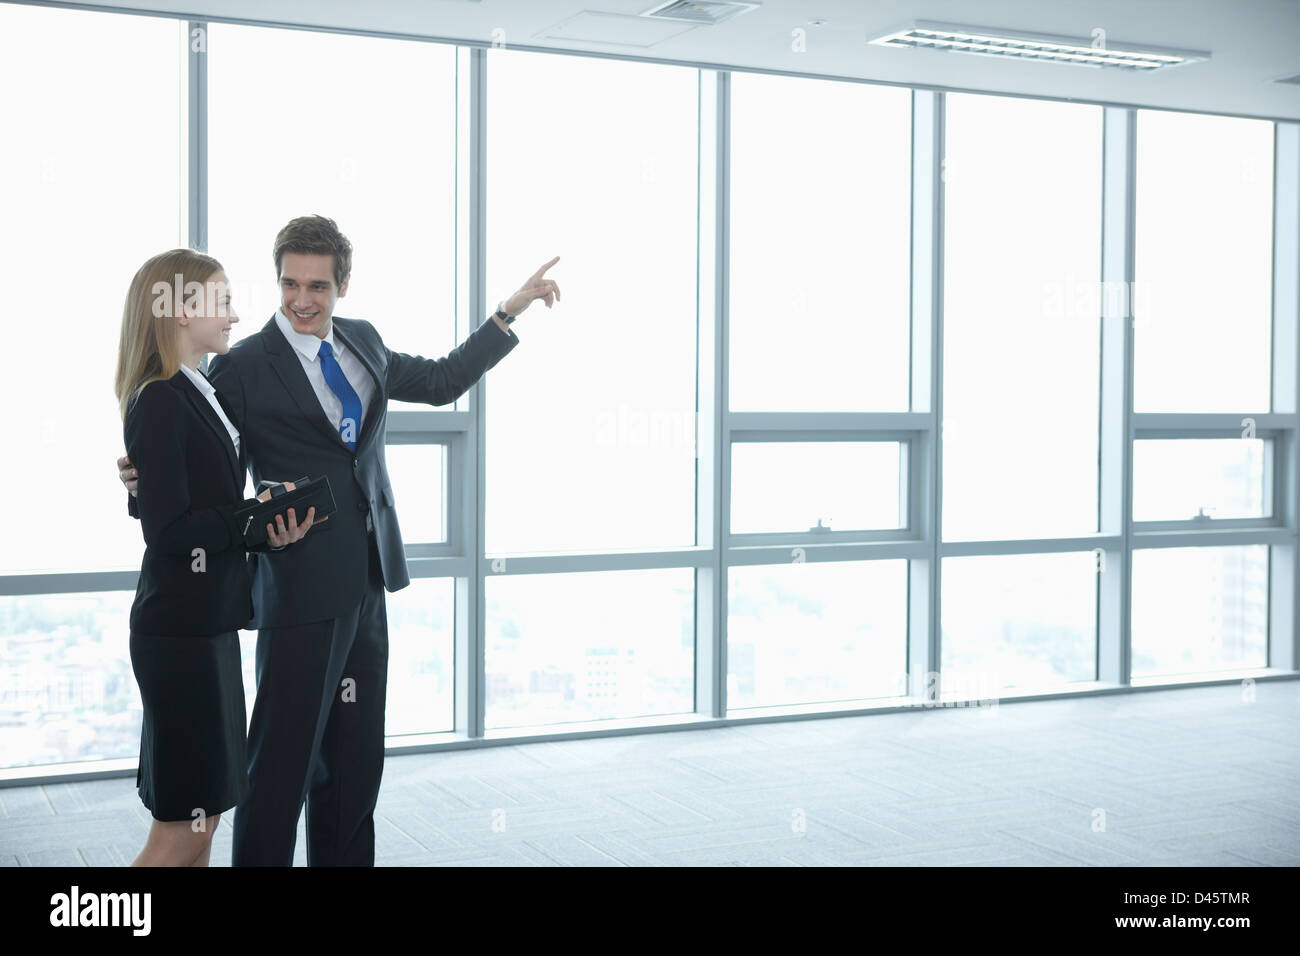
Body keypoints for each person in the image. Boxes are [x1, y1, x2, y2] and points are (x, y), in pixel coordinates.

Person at [116, 214, 560, 865]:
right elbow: (189, 454)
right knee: (280, 770)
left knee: (354, 765)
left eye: (317, 286)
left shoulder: (362, 342)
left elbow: (439, 382)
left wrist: (507, 313)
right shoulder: (241, 368)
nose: (301, 299)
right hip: (299, 589)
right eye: (290, 283)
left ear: (341, 286)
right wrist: (137, 481)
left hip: (369, 579)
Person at [115, 248, 321, 866]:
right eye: (223, 301)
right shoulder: (159, 399)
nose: (234, 316)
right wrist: (250, 514)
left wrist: (264, 527)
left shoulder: (199, 389)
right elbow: (171, 531)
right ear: (182, 309)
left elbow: (188, 502)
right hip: (179, 632)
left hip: (207, 624)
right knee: (181, 828)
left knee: (205, 818)